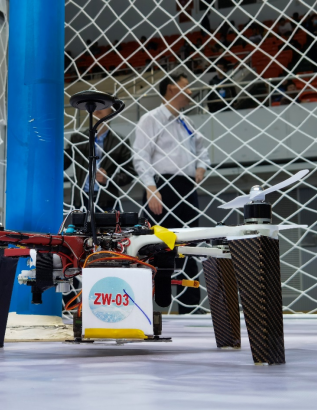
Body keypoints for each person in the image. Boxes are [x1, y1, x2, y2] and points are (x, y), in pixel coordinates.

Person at [133, 72, 211, 314]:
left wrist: (201, 166)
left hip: (187, 188)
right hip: (162, 188)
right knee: (155, 248)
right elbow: (140, 155)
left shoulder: (186, 121)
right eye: (186, 86)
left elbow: (202, 148)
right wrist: (151, 188)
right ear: (171, 88)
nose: (190, 91)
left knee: (189, 247)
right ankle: (146, 310)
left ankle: (191, 309)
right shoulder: (151, 118)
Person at [64, 108, 137, 212]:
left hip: (107, 201)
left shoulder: (120, 142)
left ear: (112, 111)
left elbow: (130, 173)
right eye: (96, 104)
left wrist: (108, 178)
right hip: (81, 201)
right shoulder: (77, 138)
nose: (98, 108)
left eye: (104, 105)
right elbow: (62, 164)